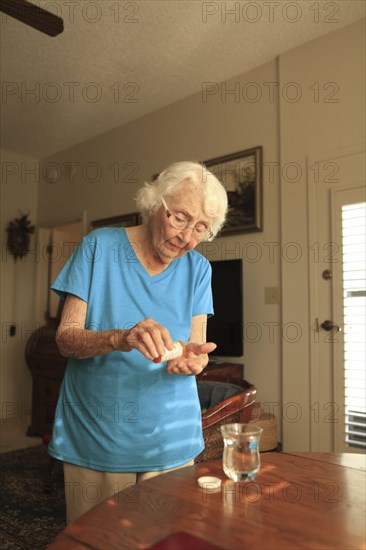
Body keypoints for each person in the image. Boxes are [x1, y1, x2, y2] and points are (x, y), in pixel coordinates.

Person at [48, 161, 228, 523]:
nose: (187, 237)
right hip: (99, 433)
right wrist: (120, 337)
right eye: (180, 218)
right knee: (96, 541)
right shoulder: (99, 247)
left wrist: (194, 361)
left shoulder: (199, 270)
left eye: (201, 228)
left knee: (166, 542)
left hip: (173, 439)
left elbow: (197, 349)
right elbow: (66, 340)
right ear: (153, 202)